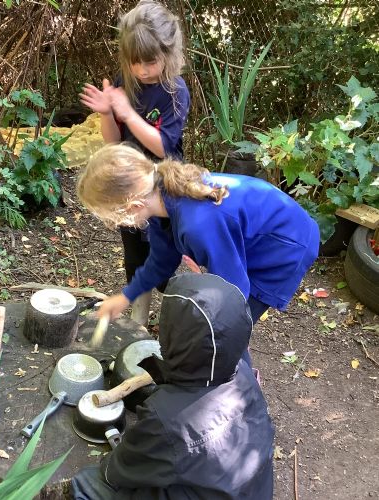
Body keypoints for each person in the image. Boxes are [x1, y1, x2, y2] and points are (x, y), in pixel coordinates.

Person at [71, 272, 275, 500]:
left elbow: (117, 472)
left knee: (87, 482)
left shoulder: (167, 419)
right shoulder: (244, 374)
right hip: (251, 491)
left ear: (173, 335)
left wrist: (115, 461)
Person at [77, 143, 321, 330]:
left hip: (285, 246)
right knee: (212, 329)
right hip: (260, 234)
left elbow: (234, 292)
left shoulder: (198, 225)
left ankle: (238, 378)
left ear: (133, 207)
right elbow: (160, 263)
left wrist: (217, 319)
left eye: (112, 218)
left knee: (226, 330)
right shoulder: (161, 199)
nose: (115, 224)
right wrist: (125, 297)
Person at [79, 0, 190, 326]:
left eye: (150, 62)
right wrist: (107, 113)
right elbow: (114, 142)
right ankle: (139, 320)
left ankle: (176, 315)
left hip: (163, 187)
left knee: (164, 253)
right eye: (134, 62)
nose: (142, 70)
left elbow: (163, 145)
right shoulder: (124, 82)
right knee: (134, 253)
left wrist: (127, 113)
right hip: (128, 183)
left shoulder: (175, 91)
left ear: (168, 52)